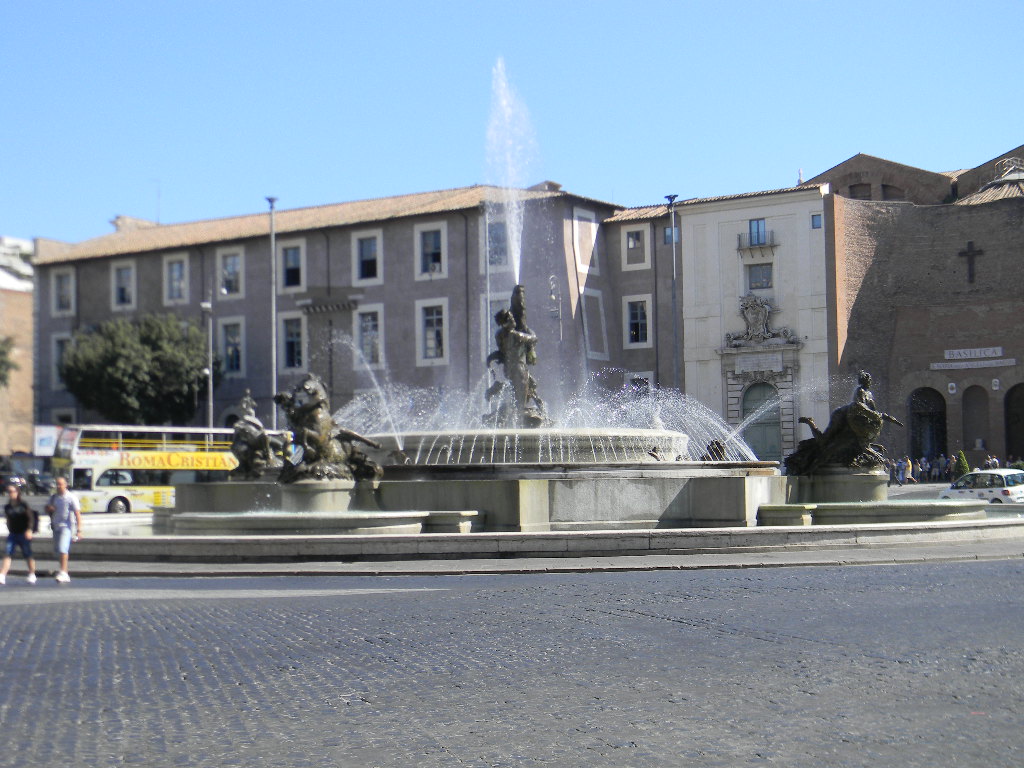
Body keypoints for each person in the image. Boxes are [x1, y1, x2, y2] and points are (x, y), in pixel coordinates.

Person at [46, 476, 82, 583]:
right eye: (57, 484)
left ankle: (63, 572)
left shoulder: (71, 497)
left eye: (60, 484)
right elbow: (48, 510)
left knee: (63, 549)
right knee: (58, 551)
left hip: (66, 527)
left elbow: (77, 514)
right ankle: (64, 572)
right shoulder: (53, 497)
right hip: (55, 526)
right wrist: (49, 509)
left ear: (66, 485)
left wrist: (79, 530)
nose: (58, 486)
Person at [1, 484, 38, 585]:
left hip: (23, 533)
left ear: (17, 493)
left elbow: (30, 518)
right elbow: (8, 519)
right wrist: (9, 528)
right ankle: (2, 575)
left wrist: (29, 530)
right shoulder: (7, 507)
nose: (10, 494)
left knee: (27, 553)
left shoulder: (23, 504)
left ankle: (32, 574)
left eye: (12, 491)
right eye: (9, 492)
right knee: (8, 553)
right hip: (13, 533)